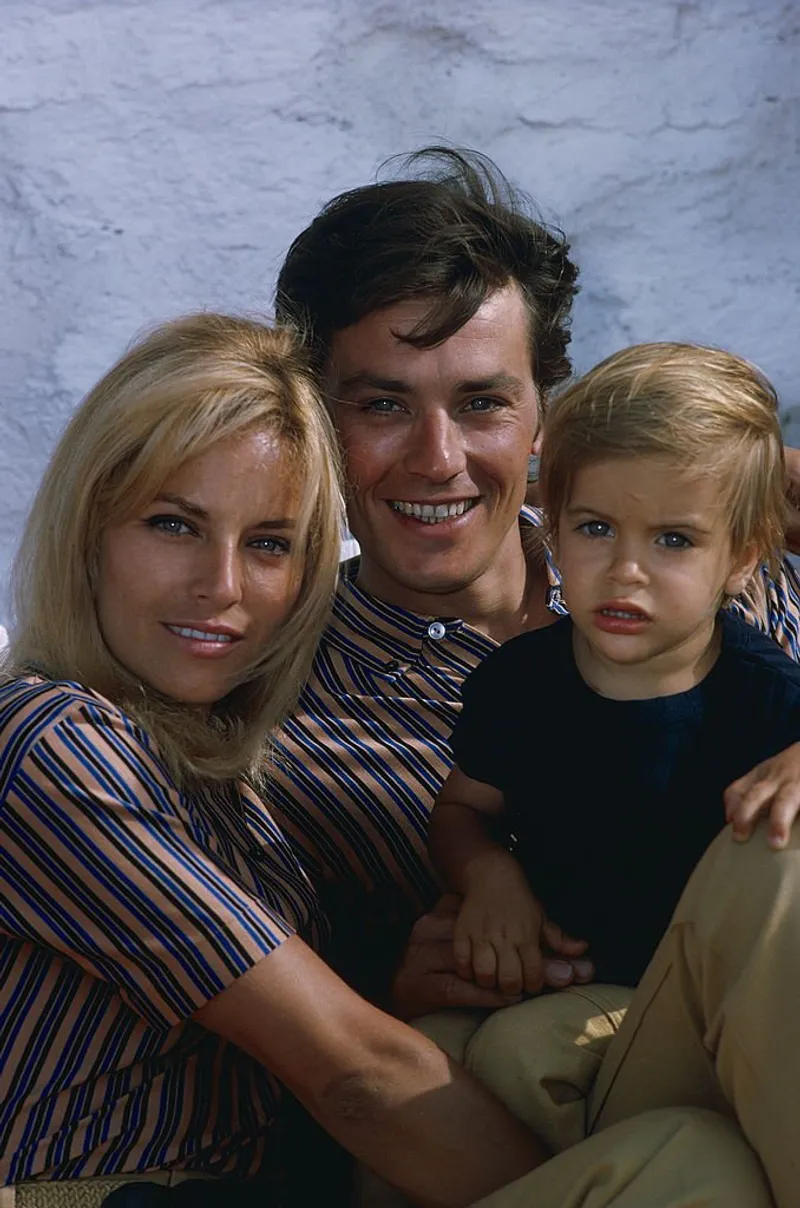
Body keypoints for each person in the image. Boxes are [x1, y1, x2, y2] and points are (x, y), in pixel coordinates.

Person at [269, 149, 800, 1205]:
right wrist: (383, 982)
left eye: (479, 402)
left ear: (542, 415)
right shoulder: (269, 701)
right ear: (316, 420)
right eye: (381, 404)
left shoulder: (744, 592)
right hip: (520, 1113)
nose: (436, 457)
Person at [0, 314, 553, 1208]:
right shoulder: (53, 742)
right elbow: (353, 1078)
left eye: (268, 544)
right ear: (89, 529)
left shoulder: (223, 775)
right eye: (175, 525)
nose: (222, 587)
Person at [430, 341, 800, 999]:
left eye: (674, 540)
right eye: (597, 528)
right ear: (553, 528)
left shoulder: (769, 700)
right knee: (485, 1057)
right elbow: (464, 810)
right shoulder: (521, 685)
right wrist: (488, 877)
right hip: (570, 988)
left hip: (728, 1003)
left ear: (741, 559)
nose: (627, 570)